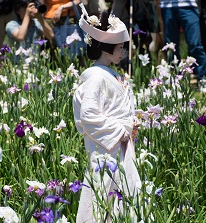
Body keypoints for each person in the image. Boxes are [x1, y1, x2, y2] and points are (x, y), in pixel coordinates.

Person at [73, 4, 141, 222]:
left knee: (122, 196)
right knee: (103, 195)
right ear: (106, 48)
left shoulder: (108, 74)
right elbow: (89, 116)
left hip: (118, 148)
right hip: (106, 151)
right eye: (120, 47)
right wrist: (122, 130)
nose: (123, 51)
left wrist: (130, 124)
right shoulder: (95, 77)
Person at [159, 0, 206, 93]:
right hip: (167, 5)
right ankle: (175, 81)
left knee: (195, 44)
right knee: (171, 47)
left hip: (189, 4)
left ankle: (204, 80)